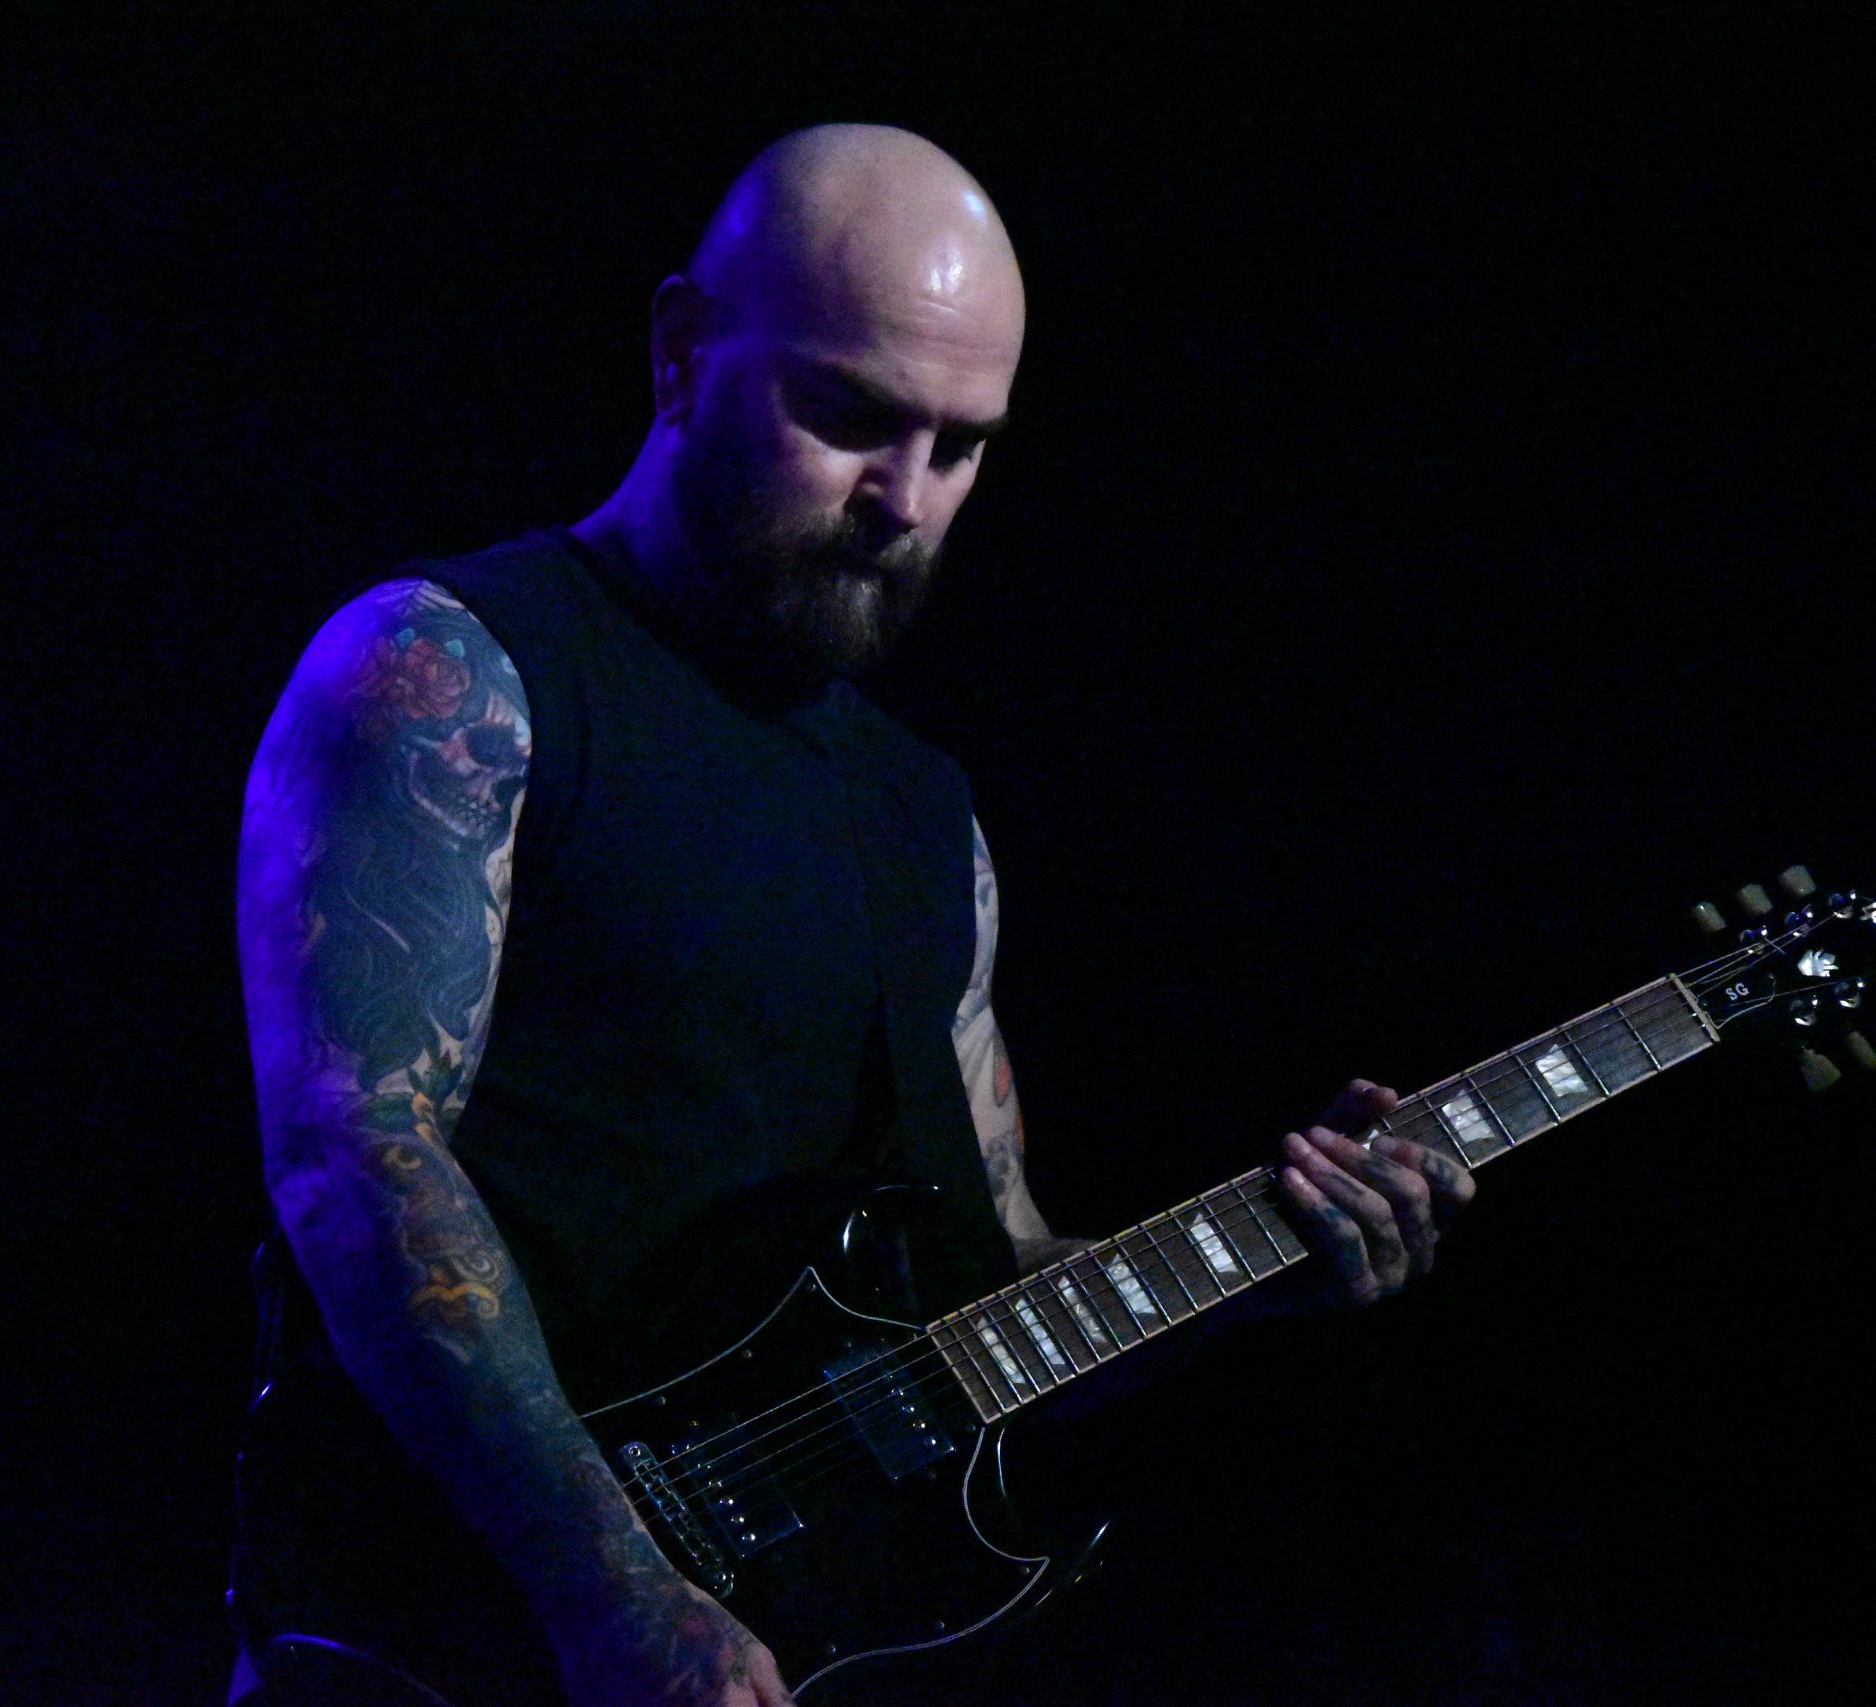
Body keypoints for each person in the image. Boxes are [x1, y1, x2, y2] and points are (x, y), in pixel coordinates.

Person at [229, 124, 1476, 1707]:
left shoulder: (923, 817)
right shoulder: (455, 670)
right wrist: (615, 1592)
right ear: (683, 353)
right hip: (438, 1637)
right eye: (851, 417)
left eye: (960, 448)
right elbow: (356, 1162)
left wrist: (1266, 1267)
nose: (905, 497)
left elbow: (994, 1284)